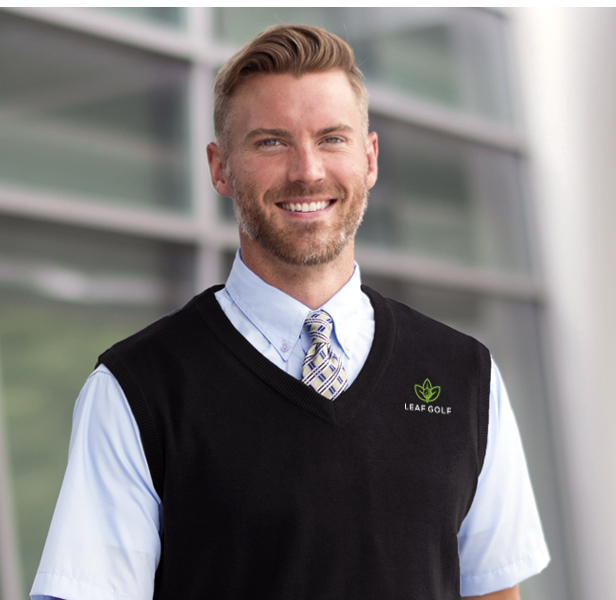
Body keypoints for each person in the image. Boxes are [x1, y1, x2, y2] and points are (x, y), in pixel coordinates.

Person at [31, 24, 549, 600]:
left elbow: (494, 592)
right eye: (271, 142)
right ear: (220, 167)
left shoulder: (465, 374)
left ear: (370, 158)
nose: (307, 170)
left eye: (332, 138)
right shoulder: (138, 390)